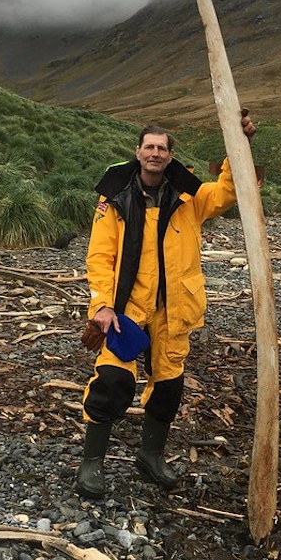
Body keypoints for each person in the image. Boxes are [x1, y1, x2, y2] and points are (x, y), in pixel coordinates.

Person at [77, 111, 256, 498]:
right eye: (149, 147)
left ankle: (151, 456)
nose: (155, 153)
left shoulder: (191, 199)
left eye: (162, 148)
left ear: (171, 155)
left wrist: (237, 144)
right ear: (138, 152)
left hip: (173, 310)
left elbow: (229, 189)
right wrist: (102, 306)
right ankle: (91, 463)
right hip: (127, 309)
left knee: (168, 388)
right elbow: (99, 256)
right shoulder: (114, 199)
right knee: (112, 381)